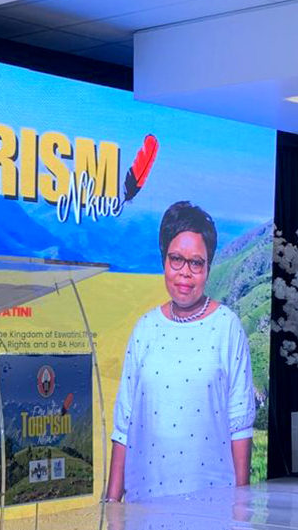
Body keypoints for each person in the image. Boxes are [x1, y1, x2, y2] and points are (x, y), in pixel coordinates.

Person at [106, 201, 255, 503]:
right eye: (176, 260)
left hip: (212, 504)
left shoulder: (227, 326)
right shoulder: (145, 328)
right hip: (144, 503)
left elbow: (239, 427)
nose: (185, 272)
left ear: (208, 268)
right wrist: (111, 504)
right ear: (164, 260)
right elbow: (124, 426)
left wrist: (241, 509)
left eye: (196, 263)